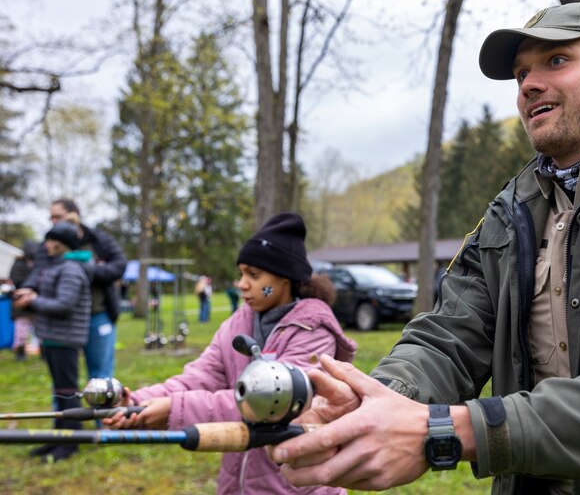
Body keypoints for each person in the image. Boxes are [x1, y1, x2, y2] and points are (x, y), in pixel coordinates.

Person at [268, 3, 580, 494]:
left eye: (556, 61)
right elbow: (447, 337)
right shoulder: (512, 210)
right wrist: (373, 403)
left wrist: (456, 431)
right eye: (520, 74)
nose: (530, 84)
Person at [104, 212, 358, 495]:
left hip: (296, 485)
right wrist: (140, 402)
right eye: (241, 273)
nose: (242, 283)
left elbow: (270, 400)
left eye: (253, 274)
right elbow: (200, 377)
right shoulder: (237, 323)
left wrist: (174, 409)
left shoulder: (313, 330)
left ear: (285, 278)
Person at [13, 221, 92, 462]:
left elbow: (64, 305)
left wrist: (33, 301)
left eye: (48, 240)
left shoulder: (70, 269)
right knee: (60, 392)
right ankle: (59, 437)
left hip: (65, 338)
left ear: (59, 243)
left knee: (68, 393)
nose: (45, 245)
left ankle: (71, 441)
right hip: (54, 338)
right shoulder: (58, 266)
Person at [24, 199, 127, 380]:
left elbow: (119, 265)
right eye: (51, 217)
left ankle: (104, 406)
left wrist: (89, 270)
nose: (54, 221)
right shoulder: (48, 245)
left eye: (58, 216)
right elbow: (37, 272)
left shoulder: (99, 239)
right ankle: (65, 407)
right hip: (64, 323)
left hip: (98, 314)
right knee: (63, 385)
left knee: (100, 378)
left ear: (74, 215)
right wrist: (27, 290)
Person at [9, 240, 38, 360]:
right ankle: (20, 352)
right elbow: (16, 280)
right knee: (21, 330)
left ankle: (43, 352)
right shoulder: (19, 264)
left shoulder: (38, 263)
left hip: (36, 302)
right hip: (21, 302)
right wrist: (27, 290)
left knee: (40, 328)